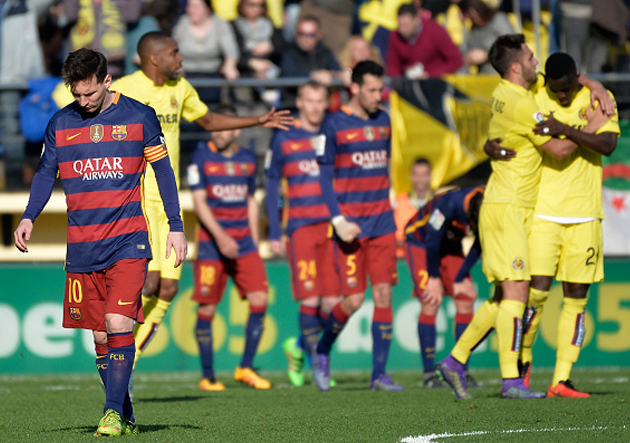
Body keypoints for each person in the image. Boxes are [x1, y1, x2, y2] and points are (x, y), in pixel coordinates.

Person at [13, 48, 187, 436]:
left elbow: (164, 172)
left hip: (129, 241)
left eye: (90, 93)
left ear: (108, 81)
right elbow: (44, 173)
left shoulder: (139, 116)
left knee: (117, 321)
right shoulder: (61, 123)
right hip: (82, 245)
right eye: (77, 95)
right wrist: (28, 217)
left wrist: (175, 225)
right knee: (100, 336)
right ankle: (124, 412)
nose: (84, 102)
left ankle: (109, 413)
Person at [436, 34, 605, 400]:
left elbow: (566, 78)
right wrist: (591, 125)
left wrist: (598, 86)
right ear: (516, 66)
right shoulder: (521, 104)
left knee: (503, 295)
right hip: (509, 207)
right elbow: (560, 149)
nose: (536, 62)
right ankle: (511, 380)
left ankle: (455, 360)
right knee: (516, 293)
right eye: (530, 56)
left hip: (507, 205)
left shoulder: (505, 92)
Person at [111, 31, 292, 371]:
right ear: (154, 59)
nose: (181, 59)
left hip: (168, 204)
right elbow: (85, 110)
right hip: (137, 202)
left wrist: (257, 119)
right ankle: (115, 346)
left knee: (167, 289)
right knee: (148, 282)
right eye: (175, 53)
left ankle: (126, 361)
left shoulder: (181, 89)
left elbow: (208, 121)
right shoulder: (125, 90)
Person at [501, 52, 619, 397]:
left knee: (576, 300)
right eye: (557, 90)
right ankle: (522, 370)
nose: (563, 95)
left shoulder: (598, 97)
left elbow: (609, 145)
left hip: (584, 214)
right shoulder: (536, 95)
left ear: (577, 78)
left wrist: (569, 126)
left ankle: (561, 380)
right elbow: (558, 151)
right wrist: (583, 130)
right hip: (544, 212)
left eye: (568, 88)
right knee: (535, 294)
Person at [312, 60, 403, 392]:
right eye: (373, 90)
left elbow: (385, 165)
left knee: (383, 295)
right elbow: (323, 175)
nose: (379, 95)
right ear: (354, 89)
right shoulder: (333, 124)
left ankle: (379, 375)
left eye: (381, 89)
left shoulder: (385, 121)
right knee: (352, 302)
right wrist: (338, 219)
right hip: (350, 226)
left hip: (382, 222)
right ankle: (322, 351)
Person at [188, 104, 271, 391]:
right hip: (213, 245)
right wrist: (221, 237)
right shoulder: (200, 157)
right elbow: (199, 203)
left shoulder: (248, 160)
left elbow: (251, 200)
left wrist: (253, 240)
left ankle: (245, 367)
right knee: (208, 308)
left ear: (236, 129)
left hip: (244, 243)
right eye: (215, 126)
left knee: (260, 299)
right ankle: (208, 375)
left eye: (224, 127)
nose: (218, 132)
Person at [264, 80, 341, 387]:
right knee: (310, 299)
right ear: (300, 102)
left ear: (326, 103)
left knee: (333, 303)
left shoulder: (334, 134)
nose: (313, 107)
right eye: (308, 101)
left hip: (333, 227)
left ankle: (298, 346)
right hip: (300, 228)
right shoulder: (284, 138)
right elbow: (271, 185)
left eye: (319, 101)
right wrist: (273, 230)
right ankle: (319, 366)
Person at [405, 186, 483, 389]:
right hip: (421, 241)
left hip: (451, 245)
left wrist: (460, 277)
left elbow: (480, 243)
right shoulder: (449, 203)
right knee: (431, 300)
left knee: (466, 299)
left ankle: (461, 370)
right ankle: (429, 374)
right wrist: (433, 276)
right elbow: (432, 238)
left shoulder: (489, 205)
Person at [386, 3, 463, 79]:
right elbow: (393, 66)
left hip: (435, 81)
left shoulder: (436, 31)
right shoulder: (396, 36)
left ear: (416, 19)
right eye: (400, 25)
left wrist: (431, 74)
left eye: (406, 25)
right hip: (408, 81)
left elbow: (456, 60)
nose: (402, 30)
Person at [458, 0, 514, 74]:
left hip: (502, 73)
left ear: (473, 10)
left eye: (467, 14)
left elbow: (513, 46)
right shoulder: (474, 29)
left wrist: (487, 56)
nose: (468, 18)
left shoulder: (498, 20)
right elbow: (468, 52)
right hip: (483, 76)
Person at [393, 158, 433, 258]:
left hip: (430, 258)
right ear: (411, 176)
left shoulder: (438, 202)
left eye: (424, 175)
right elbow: (390, 235)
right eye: (417, 175)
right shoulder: (399, 202)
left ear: (430, 176)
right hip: (402, 260)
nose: (420, 179)